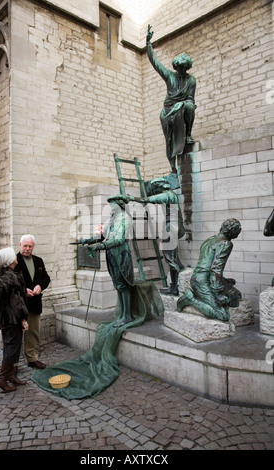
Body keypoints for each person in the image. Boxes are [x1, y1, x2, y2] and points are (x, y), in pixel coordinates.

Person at [146, 24, 196, 173]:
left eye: (183, 68)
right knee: (168, 140)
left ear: (186, 67)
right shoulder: (169, 76)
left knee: (189, 106)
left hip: (182, 107)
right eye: (178, 68)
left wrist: (182, 104)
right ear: (175, 67)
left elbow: (190, 98)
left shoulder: (191, 80)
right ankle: (173, 169)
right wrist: (148, 43)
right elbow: (155, 62)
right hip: (168, 112)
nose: (180, 70)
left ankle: (188, 135)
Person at [80, 195, 134, 328]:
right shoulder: (111, 219)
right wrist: (89, 240)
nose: (110, 206)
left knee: (122, 284)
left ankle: (127, 315)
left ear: (119, 204)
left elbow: (120, 239)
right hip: (111, 253)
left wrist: (103, 246)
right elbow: (102, 235)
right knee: (117, 284)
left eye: (112, 203)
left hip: (121, 254)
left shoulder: (124, 219)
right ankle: (122, 314)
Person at [177, 219, 242, 321]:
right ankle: (189, 299)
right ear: (233, 233)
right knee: (222, 315)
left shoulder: (210, 239)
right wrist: (218, 293)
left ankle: (200, 297)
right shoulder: (226, 244)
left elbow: (208, 265)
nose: (237, 236)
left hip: (199, 277)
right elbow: (216, 269)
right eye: (237, 233)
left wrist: (225, 281)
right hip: (203, 281)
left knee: (237, 295)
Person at [129, 177, 185, 295]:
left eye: (155, 189)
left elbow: (147, 199)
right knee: (172, 255)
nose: (155, 191)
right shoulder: (172, 195)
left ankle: (174, 287)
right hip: (177, 226)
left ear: (159, 187)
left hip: (171, 227)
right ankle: (180, 267)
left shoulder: (167, 195)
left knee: (169, 258)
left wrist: (131, 198)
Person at [0, 247, 29, 392]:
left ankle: (11, 375)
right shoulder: (9, 278)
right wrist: (23, 319)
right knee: (12, 348)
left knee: (11, 347)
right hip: (11, 319)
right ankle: (1, 379)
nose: (16, 258)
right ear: (9, 260)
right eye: (14, 256)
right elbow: (16, 303)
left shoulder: (1, 275)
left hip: (5, 319)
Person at [16, 235, 50, 369]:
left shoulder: (38, 261)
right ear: (20, 245)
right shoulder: (14, 261)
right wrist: (23, 290)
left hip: (35, 303)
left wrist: (40, 286)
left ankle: (32, 358)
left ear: (33, 247)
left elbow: (46, 278)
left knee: (33, 332)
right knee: (16, 333)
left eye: (30, 246)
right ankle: (13, 364)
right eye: (25, 246)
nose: (27, 249)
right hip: (18, 304)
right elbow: (10, 283)